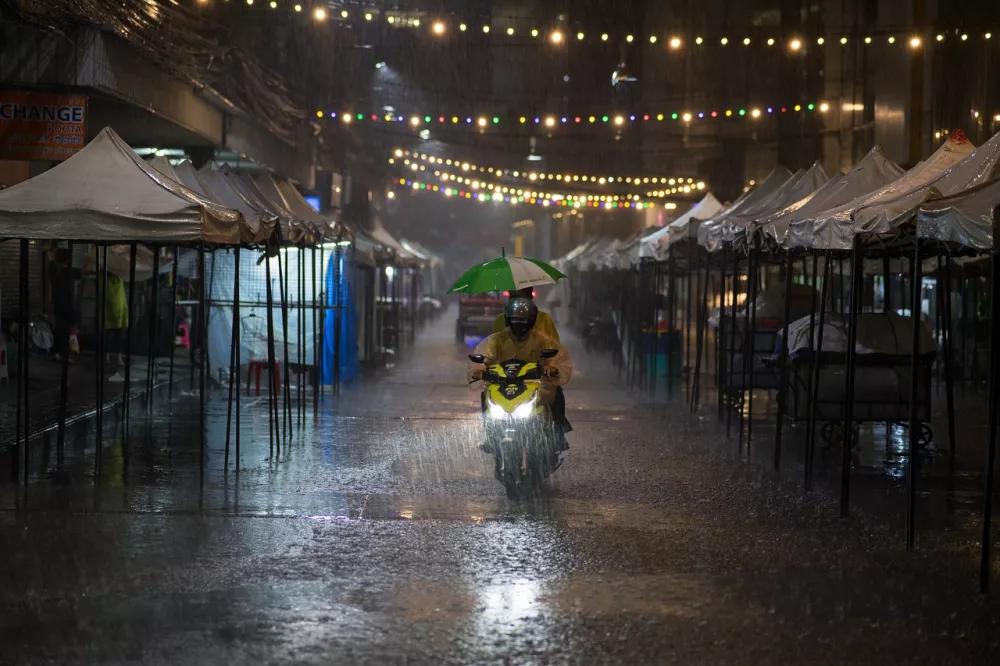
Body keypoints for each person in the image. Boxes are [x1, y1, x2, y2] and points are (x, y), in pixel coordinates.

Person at [471, 297, 572, 454]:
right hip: (503, 383)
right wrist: (481, 368)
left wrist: (551, 368)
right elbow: (487, 356)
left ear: (531, 321)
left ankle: (558, 433)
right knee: (486, 395)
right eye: (515, 321)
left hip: (534, 382)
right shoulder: (498, 339)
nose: (519, 325)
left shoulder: (541, 339)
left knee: (556, 393)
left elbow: (555, 358)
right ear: (508, 320)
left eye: (524, 322)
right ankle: (491, 435)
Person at [492, 287, 560, 341]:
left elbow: (555, 348)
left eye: (522, 297)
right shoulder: (500, 320)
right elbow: (494, 350)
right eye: (515, 297)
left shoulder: (544, 319)